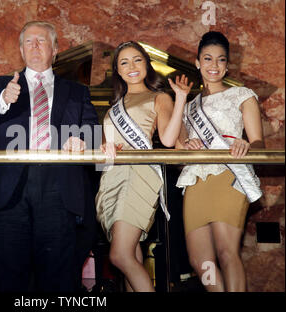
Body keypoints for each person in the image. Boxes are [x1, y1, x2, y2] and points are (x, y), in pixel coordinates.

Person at [0, 21, 99, 292]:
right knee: (8, 276)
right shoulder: (0, 84)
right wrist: (4, 100)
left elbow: (93, 132)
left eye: (41, 41)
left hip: (59, 188)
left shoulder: (77, 92)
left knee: (58, 277)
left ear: (55, 50)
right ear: (20, 50)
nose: (34, 46)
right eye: (28, 42)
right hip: (10, 191)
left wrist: (82, 141)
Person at [95, 41, 193, 292]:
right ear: (117, 70)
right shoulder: (114, 106)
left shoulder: (158, 97)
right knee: (132, 255)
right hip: (111, 179)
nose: (132, 66)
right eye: (124, 62)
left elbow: (169, 140)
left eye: (137, 60)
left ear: (147, 64)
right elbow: (106, 149)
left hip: (138, 176)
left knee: (119, 256)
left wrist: (180, 99)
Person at [175, 31, 264, 292]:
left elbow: (259, 142)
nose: (214, 66)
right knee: (200, 261)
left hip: (229, 174)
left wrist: (247, 144)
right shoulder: (190, 105)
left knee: (226, 253)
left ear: (227, 64)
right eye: (208, 58)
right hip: (196, 179)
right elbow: (178, 144)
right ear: (197, 62)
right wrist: (187, 144)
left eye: (221, 60)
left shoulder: (242, 95)